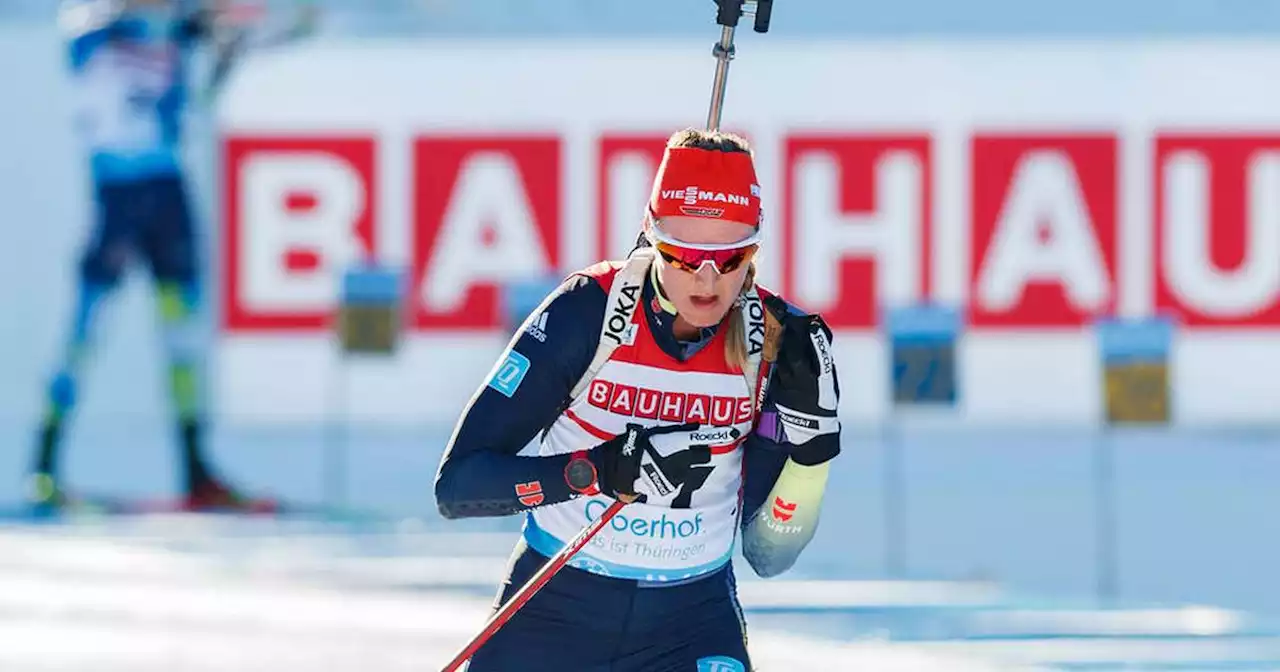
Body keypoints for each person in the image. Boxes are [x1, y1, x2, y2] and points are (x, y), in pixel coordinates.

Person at [434, 128, 842, 672]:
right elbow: (459, 486)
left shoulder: (773, 340)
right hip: (557, 604)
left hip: (689, 621)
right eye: (683, 255)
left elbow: (771, 554)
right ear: (651, 241)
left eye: (728, 259)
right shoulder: (588, 314)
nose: (706, 279)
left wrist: (812, 454)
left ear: (753, 253)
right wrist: (596, 471)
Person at [31, 0, 262, 512]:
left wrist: (226, 40)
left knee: (183, 334)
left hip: (165, 191)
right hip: (118, 192)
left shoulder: (177, 28)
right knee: (85, 330)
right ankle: (43, 465)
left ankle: (195, 470)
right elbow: (105, 32)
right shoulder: (94, 23)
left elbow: (200, 86)